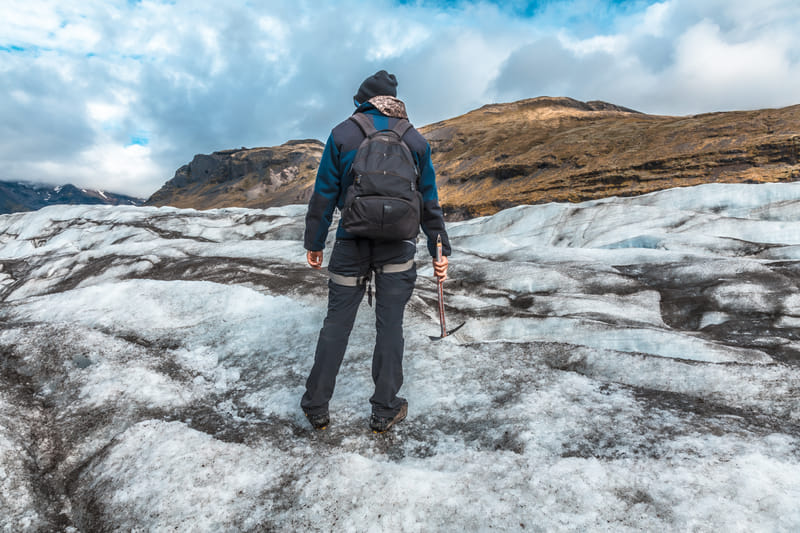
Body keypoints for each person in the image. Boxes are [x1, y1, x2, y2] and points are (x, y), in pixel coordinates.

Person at [301, 70, 451, 433]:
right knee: (390, 327)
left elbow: (323, 194)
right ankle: (385, 409)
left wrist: (315, 242)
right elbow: (428, 199)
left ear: (362, 100)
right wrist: (438, 249)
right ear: (394, 101)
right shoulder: (415, 139)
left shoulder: (343, 132)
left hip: (351, 242)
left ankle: (317, 405)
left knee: (336, 323)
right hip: (398, 247)